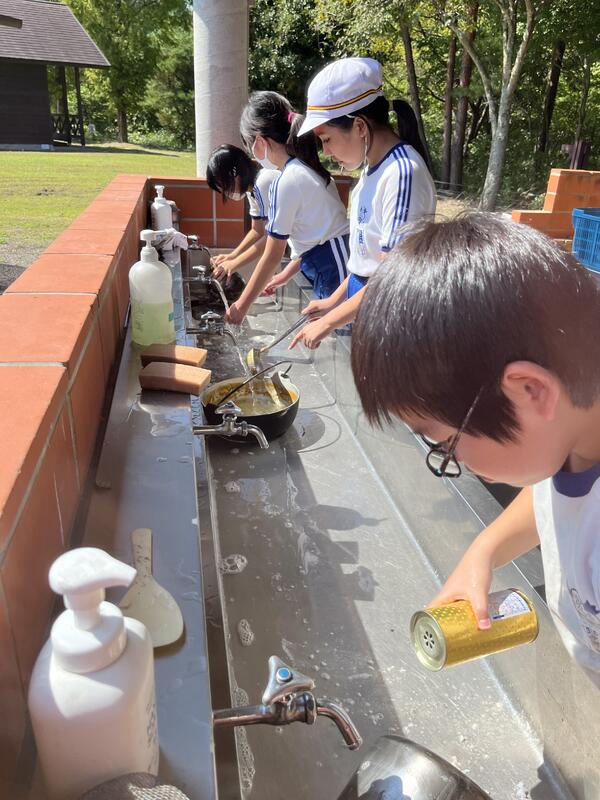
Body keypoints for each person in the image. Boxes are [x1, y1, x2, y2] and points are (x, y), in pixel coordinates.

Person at [351, 212, 600, 674]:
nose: (456, 464)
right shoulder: (572, 438)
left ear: (531, 391)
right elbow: (558, 497)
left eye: (448, 445)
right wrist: (484, 552)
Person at [288, 57, 436, 351]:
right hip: (367, 303)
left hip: (393, 317)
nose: (326, 151)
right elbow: (364, 262)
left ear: (359, 126)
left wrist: (328, 323)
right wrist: (333, 302)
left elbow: (392, 277)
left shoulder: (402, 173)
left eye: (326, 139)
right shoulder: (371, 169)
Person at [225, 91, 350, 324]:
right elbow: (314, 238)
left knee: (341, 333)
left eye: (249, 145)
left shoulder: (287, 180)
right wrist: (284, 276)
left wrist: (241, 307)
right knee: (334, 331)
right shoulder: (304, 168)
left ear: (260, 142)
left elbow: (272, 254)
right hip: (333, 261)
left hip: (335, 265)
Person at [205, 144, 279, 282]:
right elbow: (257, 231)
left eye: (224, 185)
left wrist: (234, 264)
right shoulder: (252, 190)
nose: (225, 192)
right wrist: (232, 256)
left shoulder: (264, 182)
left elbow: (272, 237)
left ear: (235, 174)